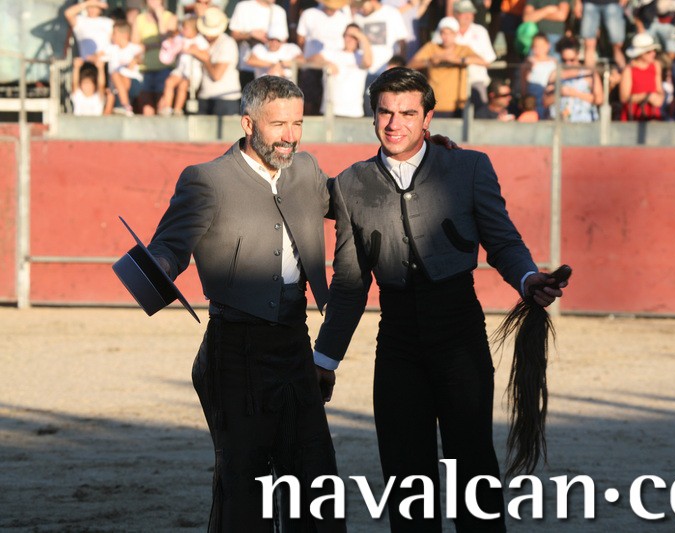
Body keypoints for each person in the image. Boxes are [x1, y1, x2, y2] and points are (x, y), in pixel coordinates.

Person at [313, 66, 566, 532]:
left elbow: (503, 242)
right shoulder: (350, 185)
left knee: (473, 467)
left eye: (408, 113)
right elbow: (349, 284)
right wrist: (324, 359)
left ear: (428, 118)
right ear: (373, 116)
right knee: (405, 477)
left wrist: (528, 278)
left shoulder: (468, 168)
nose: (395, 124)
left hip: (459, 333)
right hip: (397, 342)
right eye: (385, 112)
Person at [146, 74, 345, 532]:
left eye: (297, 123)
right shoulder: (207, 179)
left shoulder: (306, 170)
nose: (290, 135)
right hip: (235, 349)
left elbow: (354, 200)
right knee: (243, 483)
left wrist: (416, 157)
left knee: (315, 478)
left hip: (294, 342)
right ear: (248, 123)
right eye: (278, 124)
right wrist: (159, 266)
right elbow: (170, 245)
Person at [407, 16, 488, 117]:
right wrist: (430, 62)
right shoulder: (431, 48)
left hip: (458, 106)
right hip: (435, 106)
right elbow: (410, 64)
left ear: (455, 34)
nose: (446, 37)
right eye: (443, 33)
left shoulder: (463, 49)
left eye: (450, 33)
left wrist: (458, 60)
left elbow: (484, 62)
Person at [296, 0, 354, 115]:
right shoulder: (309, 14)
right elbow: (300, 39)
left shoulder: (344, 18)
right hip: (312, 65)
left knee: (331, 102)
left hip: (335, 68)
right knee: (308, 101)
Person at [351, 0, 409, 114]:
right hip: (364, 73)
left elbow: (402, 42)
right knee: (369, 110)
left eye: (363, 5)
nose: (361, 9)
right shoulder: (358, 17)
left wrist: (399, 68)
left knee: (387, 108)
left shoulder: (391, 13)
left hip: (387, 73)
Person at [311, 23, 374, 117]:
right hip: (330, 112)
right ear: (343, 36)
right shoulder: (331, 54)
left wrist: (361, 37)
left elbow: (368, 62)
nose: (350, 39)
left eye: (354, 36)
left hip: (354, 113)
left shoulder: (361, 57)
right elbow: (311, 59)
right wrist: (326, 63)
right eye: (348, 35)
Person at [189, 7, 242, 116]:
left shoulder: (227, 43)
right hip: (204, 97)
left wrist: (204, 59)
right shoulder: (201, 42)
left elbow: (217, 75)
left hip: (225, 99)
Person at [229, 0, 290, 89]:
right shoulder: (243, 7)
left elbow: (284, 40)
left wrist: (271, 41)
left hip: (272, 71)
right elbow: (233, 35)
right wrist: (250, 35)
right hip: (247, 68)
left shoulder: (279, 11)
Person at [132, 0, 178, 115]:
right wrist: (154, 45)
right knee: (146, 108)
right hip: (145, 68)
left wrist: (160, 17)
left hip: (165, 68)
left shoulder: (170, 17)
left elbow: (166, 40)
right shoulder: (139, 19)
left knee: (162, 106)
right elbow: (135, 44)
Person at [156, 15, 208, 115]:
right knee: (169, 82)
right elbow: (171, 46)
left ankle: (177, 109)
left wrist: (194, 51)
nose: (183, 30)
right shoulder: (180, 38)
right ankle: (167, 107)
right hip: (180, 70)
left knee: (183, 85)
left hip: (192, 72)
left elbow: (206, 56)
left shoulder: (199, 40)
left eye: (186, 28)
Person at [545, 36, 603, 122]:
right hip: (560, 123)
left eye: (572, 60)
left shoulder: (589, 73)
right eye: (564, 60)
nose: (568, 64)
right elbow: (545, 102)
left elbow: (599, 100)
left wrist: (574, 93)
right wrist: (559, 93)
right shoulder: (555, 74)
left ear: (578, 54)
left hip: (584, 122)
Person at [451, 0, 497, 106]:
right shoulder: (447, 29)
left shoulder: (481, 31)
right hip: (452, 81)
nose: (468, 16)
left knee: (480, 111)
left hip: (476, 80)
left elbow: (488, 60)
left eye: (470, 13)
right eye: (464, 13)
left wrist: (464, 60)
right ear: (456, 14)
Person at [102, 19, 144, 116]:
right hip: (116, 86)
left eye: (114, 33)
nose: (112, 36)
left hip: (133, 84)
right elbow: (98, 56)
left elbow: (142, 56)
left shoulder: (134, 48)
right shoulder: (111, 49)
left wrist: (136, 60)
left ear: (124, 35)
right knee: (112, 88)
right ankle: (123, 106)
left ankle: (125, 105)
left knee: (115, 75)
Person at [619, 32, 665, 121]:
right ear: (640, 53)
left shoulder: (656, 66)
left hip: (652, 115)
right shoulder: (629, 70)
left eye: (654, 50)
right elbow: (624, 98)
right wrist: (646, 96)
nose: (653, 53)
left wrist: (659, 99)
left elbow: (659, 90)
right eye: (648, 52)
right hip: (634, 115)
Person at [573, 0, 628, 70]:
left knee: (617, 44)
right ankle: (590, 73)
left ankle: (623, 71)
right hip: (590, 3)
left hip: (613, 3)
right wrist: (577, 3)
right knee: (589, 43)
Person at [519, 32, 557, 118]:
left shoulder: (554, 62)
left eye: (542, 45)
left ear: (548, 46)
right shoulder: (529, 62)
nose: (539, 49)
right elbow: (523, 83)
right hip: (533, 101)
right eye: (536, 46)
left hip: (549, 99)